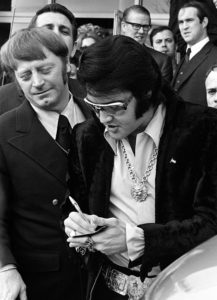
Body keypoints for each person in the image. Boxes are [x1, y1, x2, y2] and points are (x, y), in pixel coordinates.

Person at [63, 35, 217, 300]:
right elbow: (76, 203)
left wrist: (138, 240)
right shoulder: (86, 136)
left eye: (113, 107)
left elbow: (212, 223)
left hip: (182, 290)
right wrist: (79, 225)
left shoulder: (204, 129)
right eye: (94, 106)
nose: (103, 118)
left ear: (146, 92)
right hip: (106, 288)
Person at [0, 27, 91, 300]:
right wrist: (5, 268)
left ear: (66, 64)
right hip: (40, 282)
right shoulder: (3, 131)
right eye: (25, 76)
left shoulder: (102, 116)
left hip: (104, 278)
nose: (36, 83)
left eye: (45, 69)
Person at [0, 3, 86, 115]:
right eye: (46, 30)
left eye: (64, 31)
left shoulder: (90, 95)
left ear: (74, 49)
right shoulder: (3, 100)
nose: (55, 36)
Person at [172, 1, 217, 106]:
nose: (184, 27)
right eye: (181, 22)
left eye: (189, 20)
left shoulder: (215, 56)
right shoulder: (186, 57)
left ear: (204, 22)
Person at [121, 5, 173, 83]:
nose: (142, 31)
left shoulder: (161, 61)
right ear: (124, 26)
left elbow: (162, 93)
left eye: (145, 26)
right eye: (136, 26)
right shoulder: (107, 54)